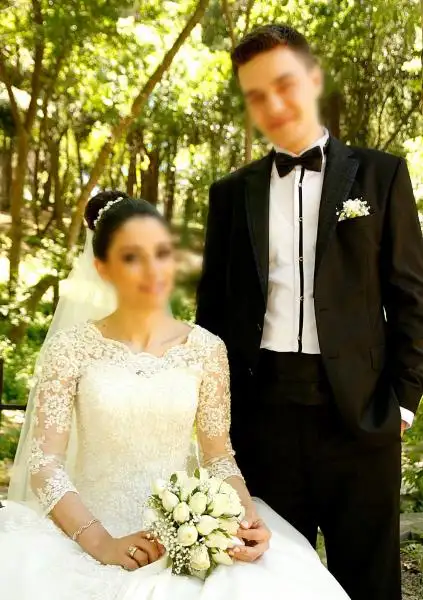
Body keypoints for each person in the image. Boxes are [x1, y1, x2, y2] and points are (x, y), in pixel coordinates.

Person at [0, 191, 349, 600]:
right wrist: (101, 543)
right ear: (102, 268)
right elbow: (45, 464)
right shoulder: (71, 348)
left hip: (188, 534)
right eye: (132, 257)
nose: (152, 270)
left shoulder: (207, 350)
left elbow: (217, 457)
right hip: (90, 530)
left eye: (161, 253)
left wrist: (246, 519)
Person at [196, 23, 423, 600]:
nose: (272, 105)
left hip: (361, 416)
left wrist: (403, 402)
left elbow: (412, 296)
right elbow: (212, 314)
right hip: (262, 417)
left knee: (369, 582)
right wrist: (211, 416)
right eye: (255, 95)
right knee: (266, 582)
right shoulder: (230, 194)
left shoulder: (382, 175)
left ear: (314, 79)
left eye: (284, 84)